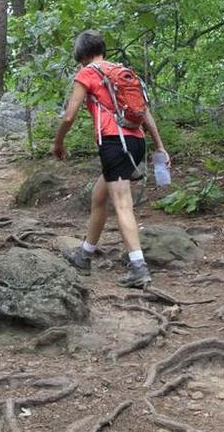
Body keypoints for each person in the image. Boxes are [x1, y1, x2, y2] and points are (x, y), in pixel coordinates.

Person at [52, 30, 170, 288]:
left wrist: (58, 142)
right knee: (98, 197)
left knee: (122, 204)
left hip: (115, 142)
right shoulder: (122, 71)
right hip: (136, 141)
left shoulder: (87, 73)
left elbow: (69, 115)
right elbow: (145, 112)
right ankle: (84, 256)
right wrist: (159, 146)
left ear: (81, 54)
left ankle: (139, 268)